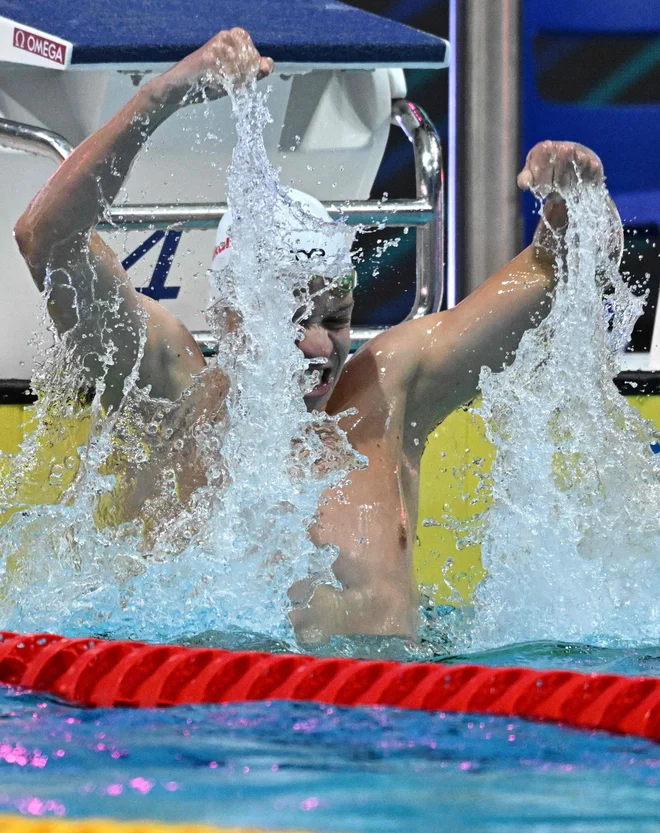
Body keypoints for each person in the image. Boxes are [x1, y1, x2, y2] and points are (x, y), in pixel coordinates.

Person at [14, 28, 622, 643]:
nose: (317, 345)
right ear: (228, 312)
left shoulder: (388, 394)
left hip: (391, 719)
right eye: (289, 318)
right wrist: (158, 99)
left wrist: (574, 202)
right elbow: (46, 239)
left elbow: (561, 270)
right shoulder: (166, 393)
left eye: (335, 319)